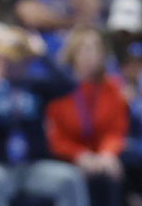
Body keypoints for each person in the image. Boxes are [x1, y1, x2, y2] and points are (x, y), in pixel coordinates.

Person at [0, 20, 87, 206]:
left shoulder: (32, 84)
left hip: (33, 166)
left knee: (70, 179)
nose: (10, 61)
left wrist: (41, 54)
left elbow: (68, 85)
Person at [44, 28, 127, 206]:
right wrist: (79, 155)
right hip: (69, 158)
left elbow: (116, 130)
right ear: (73, 53)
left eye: (95, 49)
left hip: (101, 158)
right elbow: (54, 136)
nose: (90, 55)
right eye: (84, 49)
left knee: (111, 173)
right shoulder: (57, 90)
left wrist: (107, 153)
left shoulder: (112, 88)